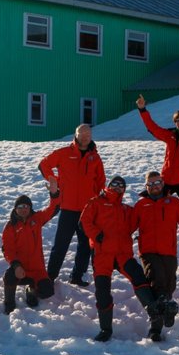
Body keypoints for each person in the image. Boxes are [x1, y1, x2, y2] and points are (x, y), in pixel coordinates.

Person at [80, 176, 162, 342]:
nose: (117, 188)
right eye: (115, 185)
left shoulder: (126, 209)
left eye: (121, 186)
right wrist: (97, 235)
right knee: (102, 290)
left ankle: (155, 314)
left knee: (139, 278)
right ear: (108, 186)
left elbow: (140, 218)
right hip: (102, 254)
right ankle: (105, 329)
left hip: (123, 254)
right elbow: (85, 221)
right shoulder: (95, 202)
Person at [39, 123, 106, 287]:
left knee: (84, 245)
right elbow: (43, 165)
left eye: (88, 135)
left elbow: (100, 181)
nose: (85, 137)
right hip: (67, 207)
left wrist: (96, 200)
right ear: (76, 135)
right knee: (60, 244)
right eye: (82, 134)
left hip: (86, 210)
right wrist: (52, 179)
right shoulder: (64, 153)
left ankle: (77, 276)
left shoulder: (95, 158)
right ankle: (50, 276)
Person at [134, 171, 179, 341]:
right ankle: (155, 328)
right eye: (150, 184)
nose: (154, 186)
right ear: (146, 187)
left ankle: (166, 312)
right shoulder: (141, 205)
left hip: (168, 251)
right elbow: (127, 227)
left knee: (168, 286)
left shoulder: (174, 203)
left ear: (163, 183)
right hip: (148, 251)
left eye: (157, 182)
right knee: (157, 280)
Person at [136, 95, 179, 231]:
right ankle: (151, 227)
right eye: (178, 120)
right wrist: (142, 109)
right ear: (174, 122)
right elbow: (152, 128)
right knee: (154, 203)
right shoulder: (170, 135)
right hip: (167, 180)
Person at [1, 181, 61, 314]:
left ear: (30, 208)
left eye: (26, 206)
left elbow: (54, 208)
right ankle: (9, 302)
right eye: (20, 206)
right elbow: (8, 249)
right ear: (15, 209)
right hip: (20, 269)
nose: (23, 209)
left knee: (48, 291)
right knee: (9, 277)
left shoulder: (37, 219)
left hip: (37, 270)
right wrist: (16, 265)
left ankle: (31, 290)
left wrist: (54, 193)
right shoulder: (10, 227)